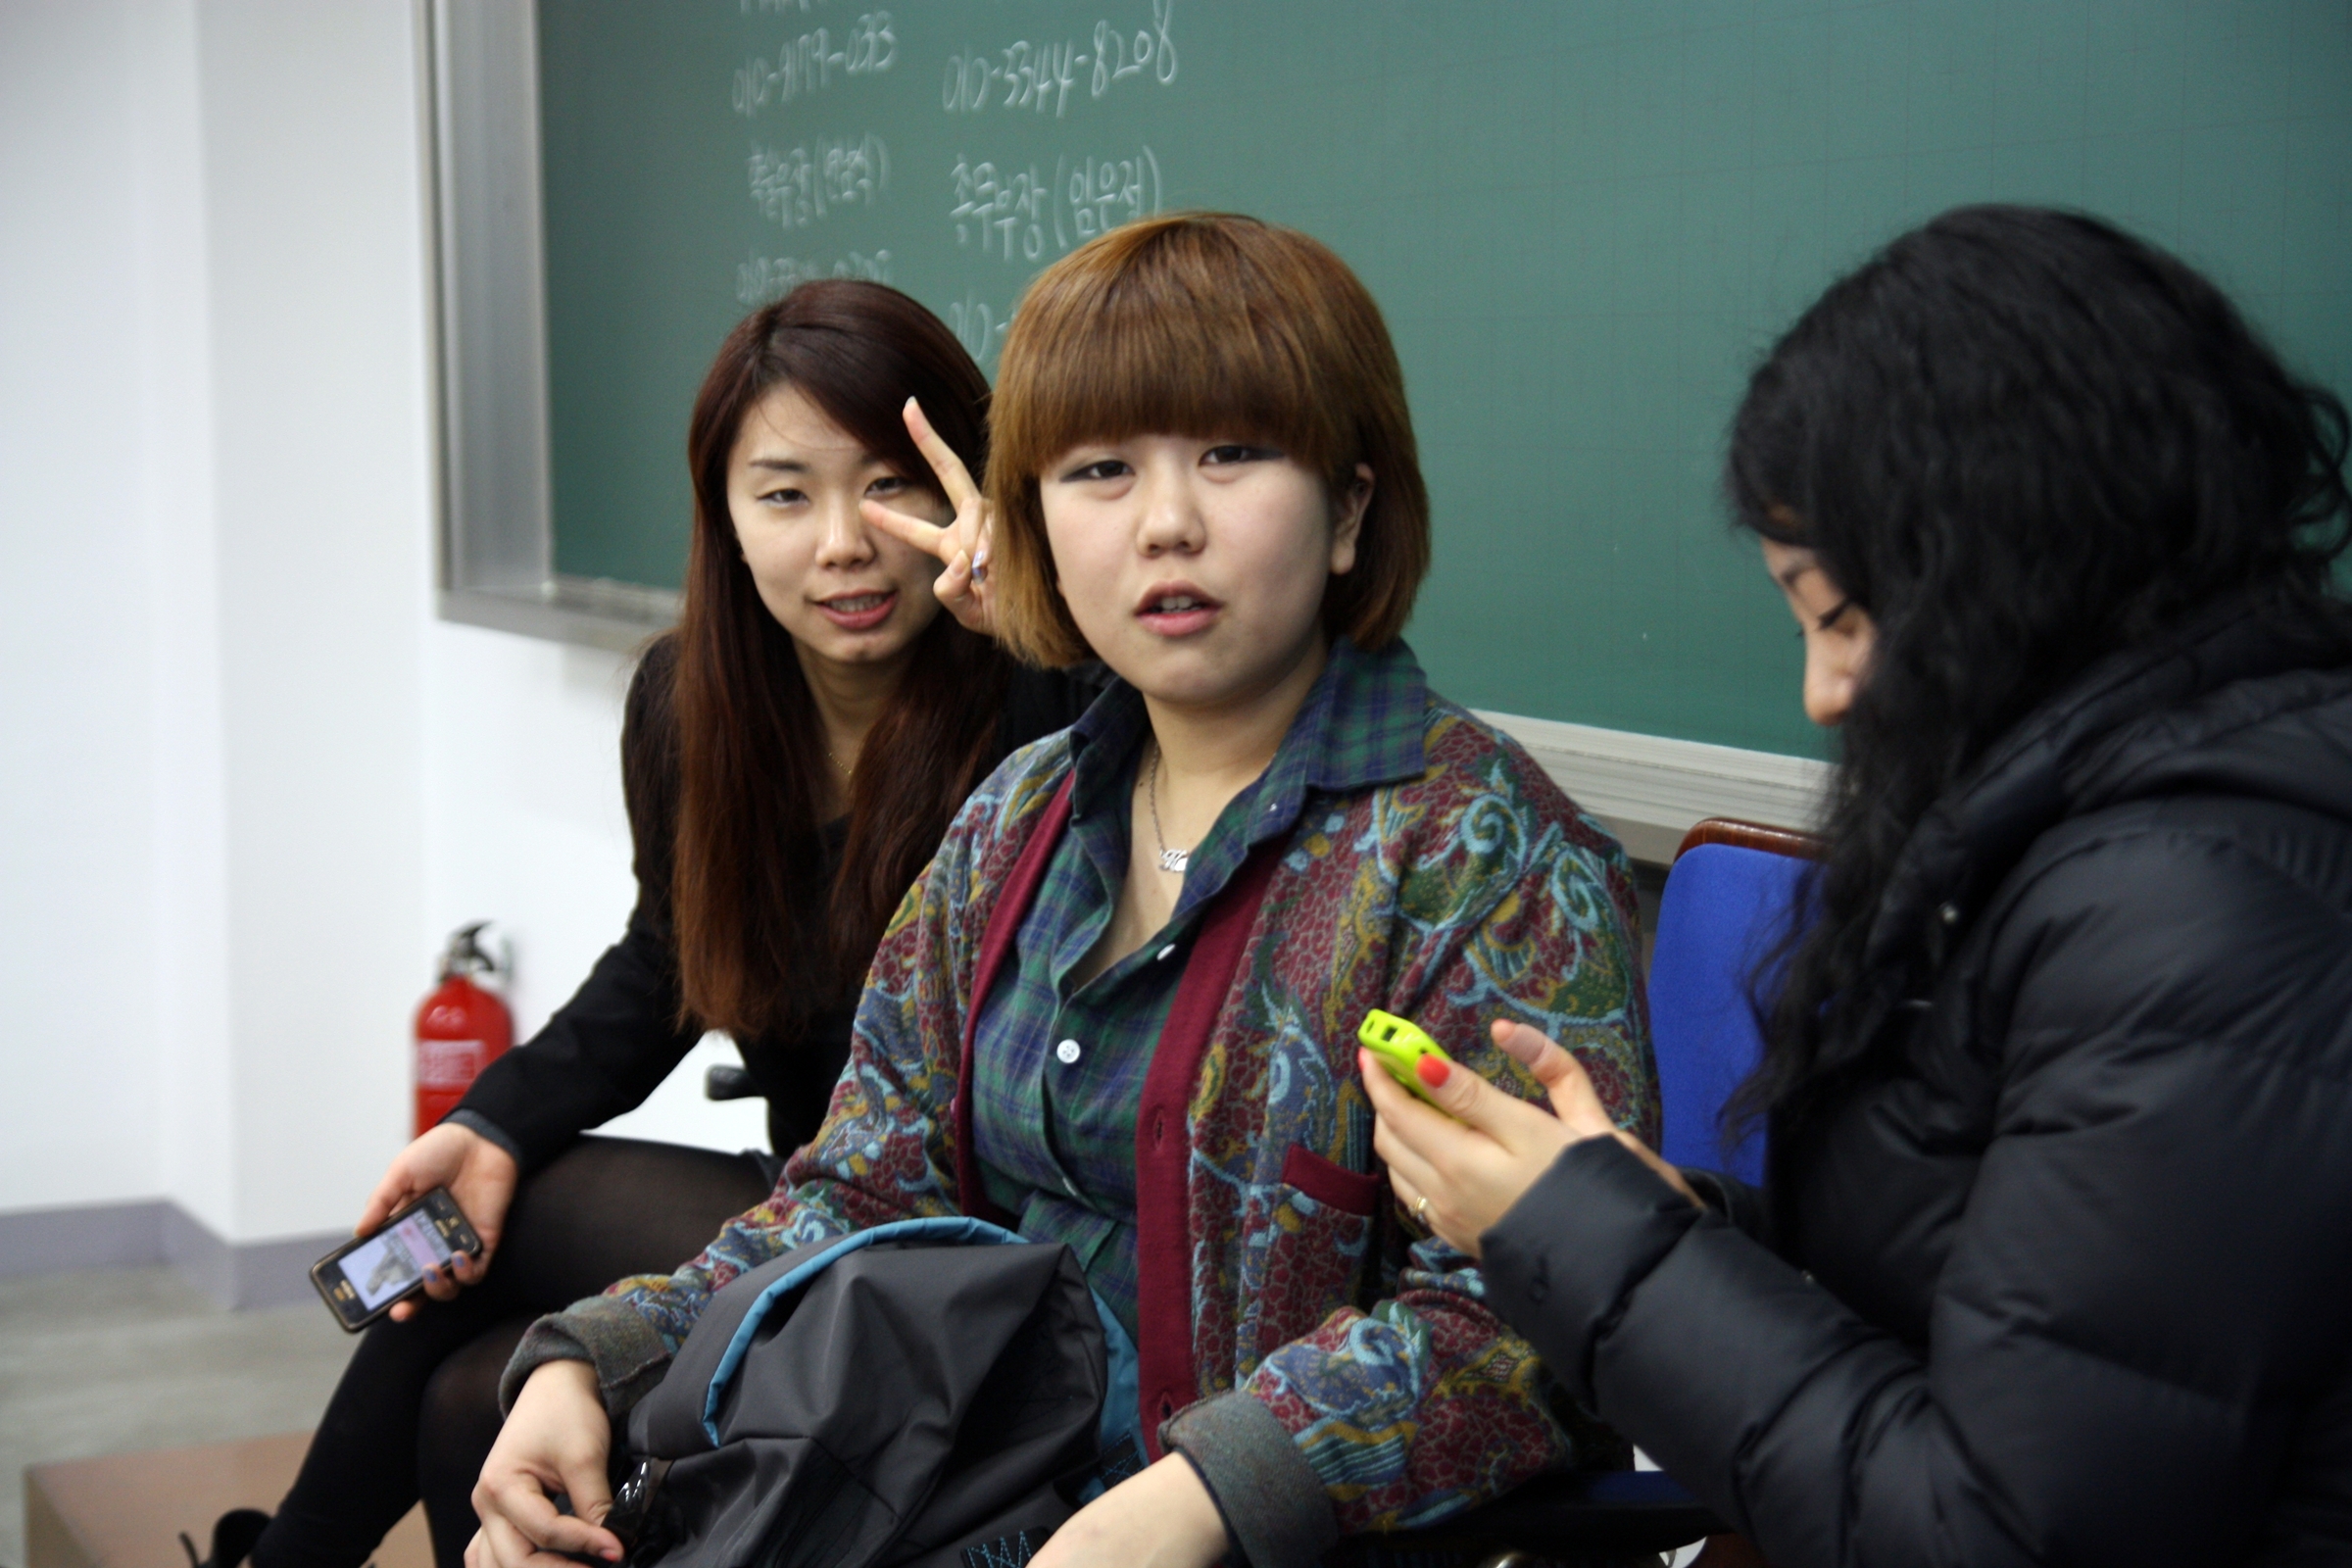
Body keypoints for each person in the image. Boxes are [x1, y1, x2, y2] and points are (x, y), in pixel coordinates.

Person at [467, 213, 1659, 1568]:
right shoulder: (1014, 823)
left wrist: (1204, 1495)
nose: (1166, 523)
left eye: (1232, 453)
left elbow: (1530, 1326)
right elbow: (862, 1190)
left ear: (1349, 512)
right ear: (1032, 520)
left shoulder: (1484, 858)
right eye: (1100, 470)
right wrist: (595, 1360)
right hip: (970, 1491)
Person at [1366, 206, 2352, 1566]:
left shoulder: (2194, 925)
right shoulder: (2119, 831)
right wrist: (1661, 1225)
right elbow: (2011, 1292)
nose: (1824, 693)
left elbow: (1998, 1528)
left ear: (2011, 562)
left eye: (1842, 617)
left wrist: (1584, 1243)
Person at [225, 281, 1102, 1568]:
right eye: (786, 495)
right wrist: (491, 1120)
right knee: (474, 1381)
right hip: (813, 1196)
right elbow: (668, 959)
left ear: (970, 491)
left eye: (890, 487)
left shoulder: (1053, 705)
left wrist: (1048, 620)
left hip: (965, 1235)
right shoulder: (693, 706)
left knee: (516, 1238)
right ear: (726, 518)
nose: (844, 544)